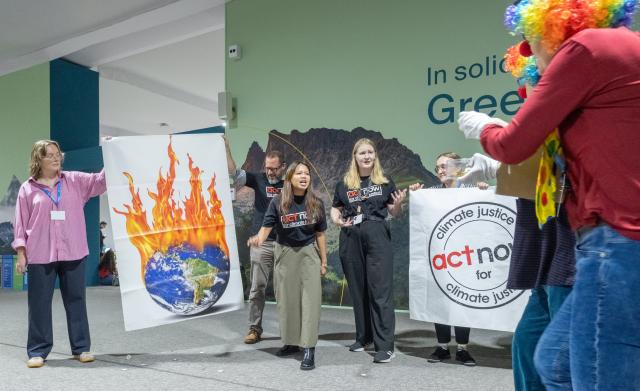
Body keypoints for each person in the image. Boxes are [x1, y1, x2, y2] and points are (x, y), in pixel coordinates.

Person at [458, 1, 640, 388]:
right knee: (554, 361)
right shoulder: (619, 52)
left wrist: (487, 129)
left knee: (593, 375)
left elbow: (514, 144)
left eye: (530, 43)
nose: (532, 57)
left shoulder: (584, 50)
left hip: (615, 238)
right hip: (606, 238)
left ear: (549, 30)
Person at [12, 139, 106, 368]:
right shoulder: (27, 188)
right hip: (40, 254)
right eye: (50, 155)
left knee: (76, 301)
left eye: (57, 154)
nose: (56, 158)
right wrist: (22, 254)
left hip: (73, 251)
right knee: (39, 304)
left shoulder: (74, 180)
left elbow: (101, 182)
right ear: (39, 160)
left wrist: (112, 151)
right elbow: (20, 224)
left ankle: (81, 348)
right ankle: (37, 351)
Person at [330, 138, 408, 364]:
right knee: (358, 289)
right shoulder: (344, 183)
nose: (366, 156)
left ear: (375, 156)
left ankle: (384, 346)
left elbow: (394, 212)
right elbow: (336, 208)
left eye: (370, 152)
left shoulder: (384, 181)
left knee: (380, 292)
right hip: (351, 237)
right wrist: (337, 220)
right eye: (362, 153)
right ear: (354, 157)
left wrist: (399, 204)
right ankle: (364, 337)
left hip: (377, 235)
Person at [248, 161, 327, 370]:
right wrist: (258, 239)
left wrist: (324, 262)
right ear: (290, 177)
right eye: (299, 173)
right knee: (288, 301)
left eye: (307, 173)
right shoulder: (277, 202)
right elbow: (266, 229)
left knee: (311, 301)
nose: (304, 176)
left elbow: (320, 234)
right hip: (284, 253)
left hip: (309, 254)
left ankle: (309, 347)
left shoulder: (316, 203)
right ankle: (292, 342)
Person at [225, 136, 285, 344]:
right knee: (257, 288)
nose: (270, 172)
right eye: (268, 168)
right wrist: (226, 146)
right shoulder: (258, 179)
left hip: (285, 245)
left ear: (283, 167)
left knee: (284, 290)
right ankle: (254, 328)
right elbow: (235, 173)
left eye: (274, 168)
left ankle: (289, 329)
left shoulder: (289, 185)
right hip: (262, 244)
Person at [425, 152, 484, 366]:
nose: (440, 170)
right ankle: (442, 348)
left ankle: (462, 349)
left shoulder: (471, 190)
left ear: (457, 167)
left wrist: (485, 193)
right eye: (437, 167)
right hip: (440, 257)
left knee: (462, 302)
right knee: (440, 302)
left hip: (465, 257)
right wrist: (416, 195)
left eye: (444, 166)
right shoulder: (431, 193)